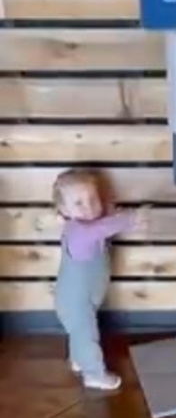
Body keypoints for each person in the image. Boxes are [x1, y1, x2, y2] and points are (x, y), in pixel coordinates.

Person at [52, 168, 147, 391]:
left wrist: (112, 210)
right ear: (64, 210)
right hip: (76, 300)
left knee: (79, 333)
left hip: (81, 297)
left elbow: (103, 224)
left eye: (93, 199)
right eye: (79, 203)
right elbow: (104, 228)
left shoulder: (84, 225)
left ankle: (79, 360)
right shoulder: (80, 232)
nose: (89, 207)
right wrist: (131, 218)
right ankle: (94, 374)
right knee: (87, 335)